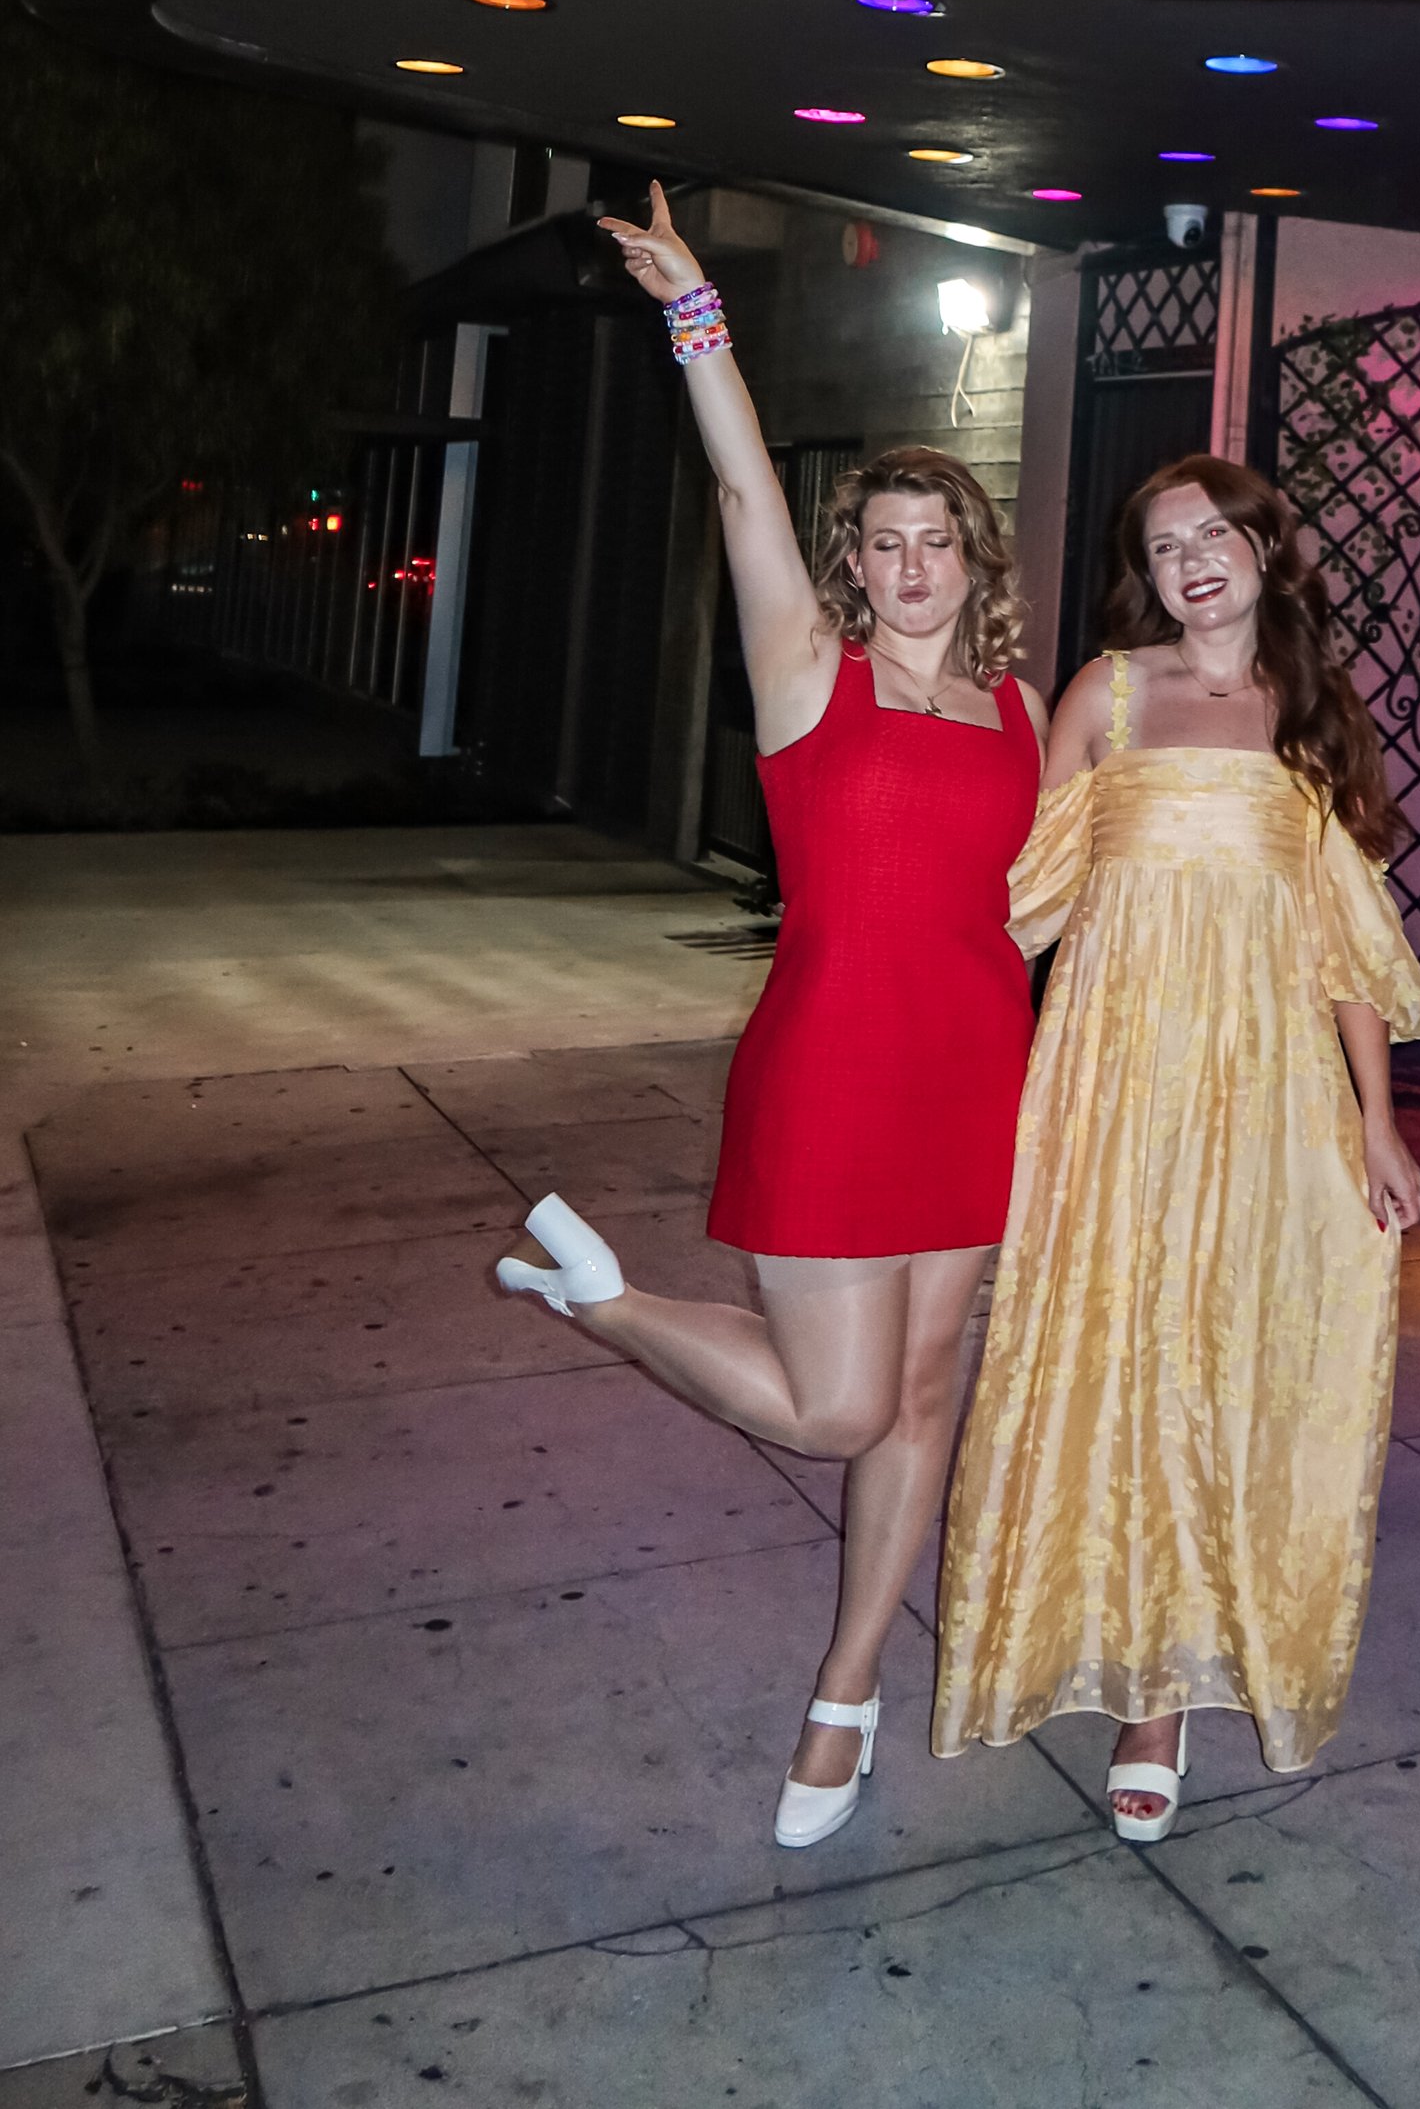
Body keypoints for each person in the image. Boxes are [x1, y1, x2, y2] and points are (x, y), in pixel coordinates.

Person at [491, 182, 1046, 1851]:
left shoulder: (1023, 706)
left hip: (974, 1078)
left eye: (935, 538)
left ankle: (847, 1689)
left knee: (929, 1395)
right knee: (837, 1407)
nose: (910, 562)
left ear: (974, 557)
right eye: (880, 540)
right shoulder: (811, 670)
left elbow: (1046, 896)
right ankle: (608, 1303)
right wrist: (696, 312)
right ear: (849, 565)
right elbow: (739, 475)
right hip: (830, 1071)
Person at [933, 451, 1420, 1840]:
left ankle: (1187, 1680)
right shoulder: (1110, 692)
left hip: (1267, 1093)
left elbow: (1346, 941)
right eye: (1163, 545)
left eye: (1214, 532)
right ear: (1142, 575)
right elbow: (1017, 895)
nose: (1191, 558)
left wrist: (1378, 1123)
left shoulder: (1313, 715)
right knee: (1115, 1352)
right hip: (1111, 1082)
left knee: (1234, 1361)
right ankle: (1125, 1668)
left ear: (1268, 547)